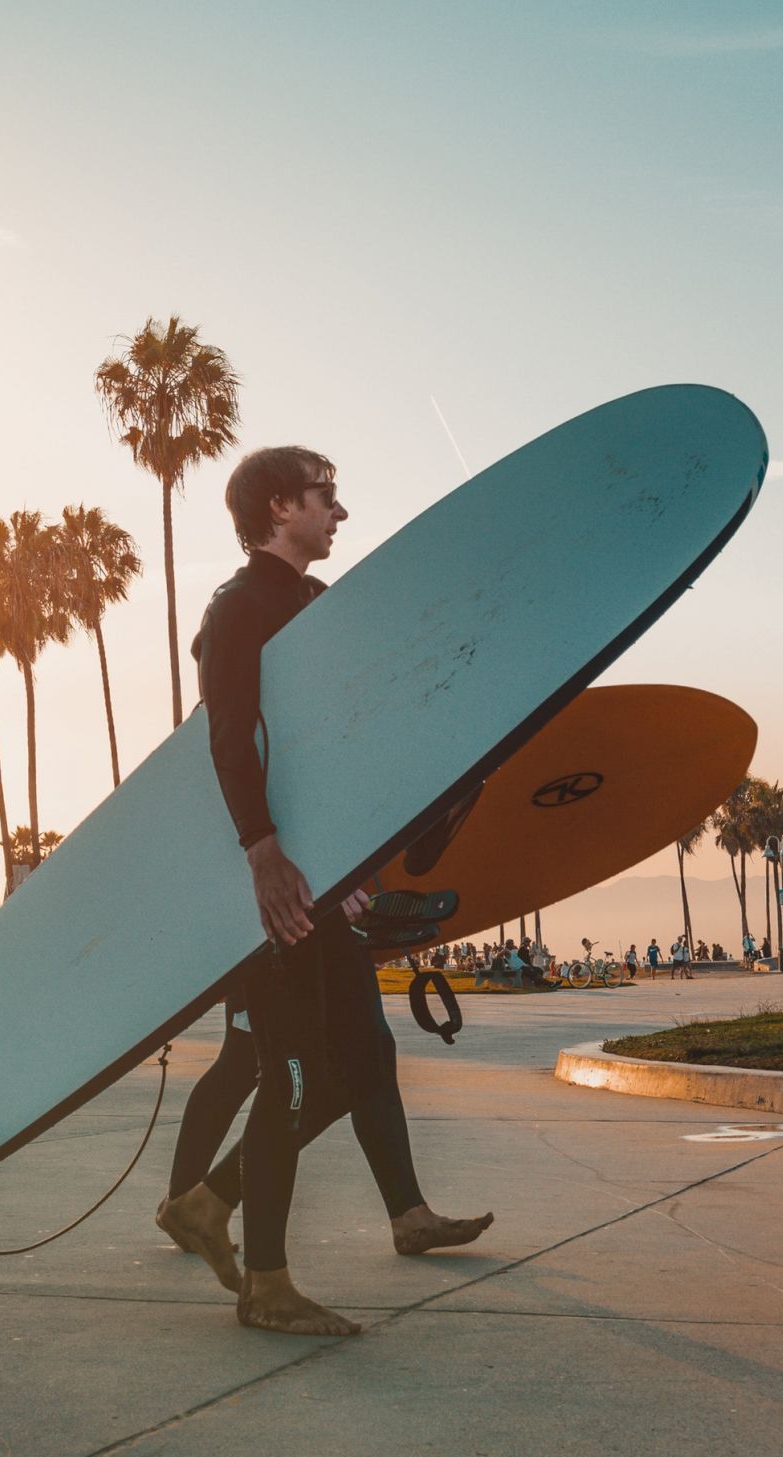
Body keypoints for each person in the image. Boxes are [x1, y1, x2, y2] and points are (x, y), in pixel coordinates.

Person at [156, 446, 484, 1339]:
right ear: (277, 507)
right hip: (277, 887)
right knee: (292, 1072)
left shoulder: (315, 607)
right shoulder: (239, 610)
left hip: (326, 882)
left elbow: (346, 745)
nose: (339, 513)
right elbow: (229, 740)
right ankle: (265, 1284)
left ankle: (209, 1204)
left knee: (350, 1066)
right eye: (323, 498)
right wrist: (263, 854)